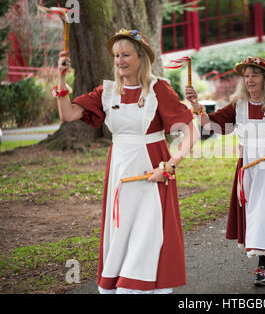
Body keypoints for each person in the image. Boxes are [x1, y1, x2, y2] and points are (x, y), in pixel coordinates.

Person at [55, 29, 198, 294]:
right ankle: (122, 280)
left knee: (148, 230)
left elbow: (191, 129)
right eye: (116, 55)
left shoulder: (158, 89)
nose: (120, 60)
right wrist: (61, 77)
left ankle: (136, 286)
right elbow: (68, 113)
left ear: (141, 57)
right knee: (122, 229)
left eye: (126, 54)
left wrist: (170, 163)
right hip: (120, 173)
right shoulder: (107, 92)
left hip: (152, 171)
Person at [185, 56, 265, 286]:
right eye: (246, 75)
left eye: (255, 75)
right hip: (247, 166)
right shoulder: (239, 105)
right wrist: (197, 106)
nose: (250, 79)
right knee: (256, 213)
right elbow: (212, 125)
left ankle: (263, 264)